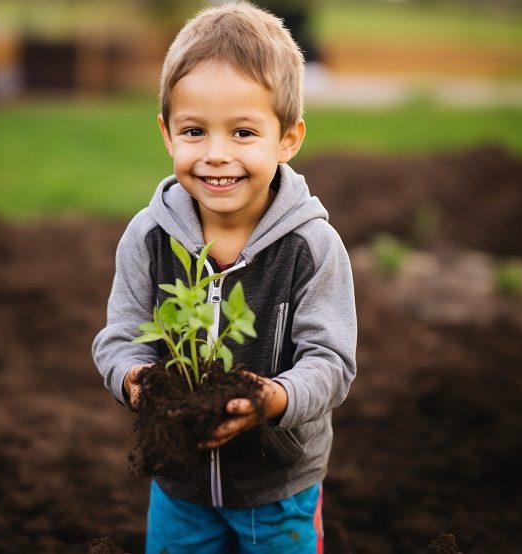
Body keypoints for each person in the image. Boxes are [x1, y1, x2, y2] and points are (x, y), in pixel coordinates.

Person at [91, 2, 357, 552]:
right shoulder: (149, 238)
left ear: (288, 138)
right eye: (194, 131)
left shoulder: (312, 248)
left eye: (242, 132)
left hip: (278, 488)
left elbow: (331, 363)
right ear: (166, 134)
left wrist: (274, 398)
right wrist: (134, 380)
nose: (216, 155)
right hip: (179, 485)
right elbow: (118, 336)